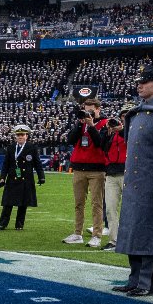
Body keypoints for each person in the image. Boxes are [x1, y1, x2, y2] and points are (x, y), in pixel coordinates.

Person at [113, 66, 153, 298]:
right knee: (132, 231)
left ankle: (147, 282)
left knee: (148, 233)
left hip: (151, 183)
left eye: (146, 82)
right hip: (134, 181)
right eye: (139, 81)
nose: (140, 85)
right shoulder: (136, 113)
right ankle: (134, 278)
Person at [64, 98, 111, 248]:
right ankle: (77, 233)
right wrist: (79, 124)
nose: (88, 113)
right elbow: (70, 140)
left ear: (98, 109)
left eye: (91, 110)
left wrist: (91, 126)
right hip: (79, 168)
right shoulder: (81, 123)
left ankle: (97, 235)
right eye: (86, 110)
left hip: (97, 169)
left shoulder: (105, 124)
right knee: (78, 203)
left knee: (96, 204)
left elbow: (100, 143)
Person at [0, 124, 44, 231]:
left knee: (23, 204)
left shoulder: (32, 148)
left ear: (26, 136)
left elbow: (37, 163)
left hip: (26, 180)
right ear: (15, 136)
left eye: (22, 135)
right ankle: (3, 223)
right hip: (12, 179)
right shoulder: (11, 147)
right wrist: (2, 177)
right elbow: (6, 165)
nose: (20, 137)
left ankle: (19, 224)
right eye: (18, 135)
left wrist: (41, 177)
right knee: (8, 203)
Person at [101, 106, 127, 250]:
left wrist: (122, 131)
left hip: (128, 173)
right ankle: (114, 240)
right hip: (111, 174)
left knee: (129, 209)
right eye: (122, 116)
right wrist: (107, 132)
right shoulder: (112, 133)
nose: (123, 119)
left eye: (126, 116)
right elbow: (103, 148)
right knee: (110, 209)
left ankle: (128, 239)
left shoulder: (133, 131)